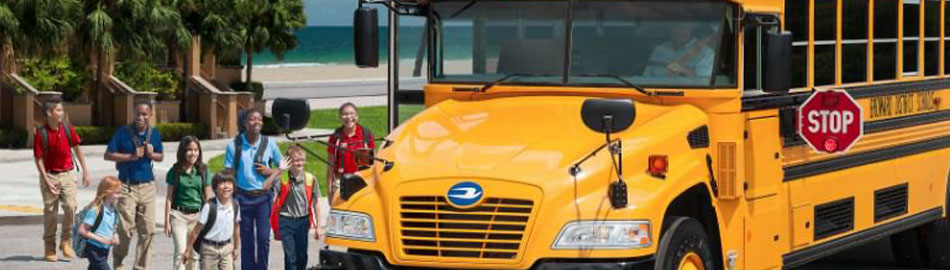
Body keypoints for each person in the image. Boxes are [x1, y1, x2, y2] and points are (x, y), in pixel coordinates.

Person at [104, 102, 164, 270]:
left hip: (148, 187)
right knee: (125, 229)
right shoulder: (123, 132)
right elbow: (108, 155)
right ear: (133, 114)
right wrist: (131, 157)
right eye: (138, 114)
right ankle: (119, 261)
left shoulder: (154, 134)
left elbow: (161, 156)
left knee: (148, 231)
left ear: (150, 115)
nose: (140, 117)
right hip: (127, 186)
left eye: (144, 114)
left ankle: (140, 267)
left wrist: (153, 154)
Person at [33, 97, 92, 262]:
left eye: (62, 110)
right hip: (50, 175)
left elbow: (77, 148)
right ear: (49, 112)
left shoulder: (67, 128)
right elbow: (38, 159)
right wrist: (46, 180)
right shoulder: (41, 133)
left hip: (67, 173)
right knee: (51, 212)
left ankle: (65, 241)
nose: (62, 113)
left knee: (71, 206)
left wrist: (85, 171)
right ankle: (49, 247)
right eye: (58, 110)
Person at [223, 109, 281, 270]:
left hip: (264, 198)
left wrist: (269, 171)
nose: (256, 122)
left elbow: (283, 167)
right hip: (242, 198)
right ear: (244, 123)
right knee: (246, 239)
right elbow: (228, 172)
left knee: (263, 239)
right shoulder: (234, 145)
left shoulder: (269, 144)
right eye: (252, 119)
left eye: (259, 119)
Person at [263, 145, 321, 270]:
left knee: (302, 257)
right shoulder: (283, 178)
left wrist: (318, 227)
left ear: (305, 161)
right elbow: (265, 187)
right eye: (295, 160)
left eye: (301, 160)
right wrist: (279, 170)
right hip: (286, 221)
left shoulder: (310, 179)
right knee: (290, 258)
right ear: (289, 162)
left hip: (303, 221)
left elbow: (315, 203)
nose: (299, 163)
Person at [165, 136, 213, 270]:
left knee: (193, 255)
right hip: (178, 215)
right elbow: (169, 197)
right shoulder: (175, 171)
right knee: (180, 252)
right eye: (189, 150)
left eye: (196, 150)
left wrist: (209, 220)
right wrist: (167, 222)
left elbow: (208, 197)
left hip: (197, 217)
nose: (193, 153)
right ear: (183, 152)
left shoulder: (203, 170)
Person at [183, 171, 241, 270]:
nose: (226, 186)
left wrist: (236, 247)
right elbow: (196, 231)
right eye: (222, 183)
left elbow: (236, 227)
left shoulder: (234, 205)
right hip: (209, 249)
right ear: (215, 188)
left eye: (229, 183)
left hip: (226, 248)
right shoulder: (209, 206)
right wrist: (188, 250)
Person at [326, 103, 375, 202]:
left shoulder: (366, 134)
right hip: (341, 182)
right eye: (345, 114)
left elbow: (373, 163)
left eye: (352, 113)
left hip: (362, 181)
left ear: (357, 116)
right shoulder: (336, 137)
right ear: (340, 117)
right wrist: (330, 191)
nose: (349, 117)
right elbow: (330, 166)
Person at [78, 176, 123, 270]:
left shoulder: (113, 210)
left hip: (105, 249)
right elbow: (82, 230)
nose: (120, 195)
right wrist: (101, 240)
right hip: (94, 248)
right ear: (107, 192)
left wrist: (115, 236)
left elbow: (113, 228)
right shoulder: (95, 210)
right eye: (117, 193)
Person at [643, 24, 715, 78]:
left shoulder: (706, 53)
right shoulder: (660, 49)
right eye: (673, 27)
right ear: (668, 30)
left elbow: (703, 83)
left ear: (691, 29)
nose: (677, 31)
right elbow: (646, 76)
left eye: (682, 27)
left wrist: (683, 71)